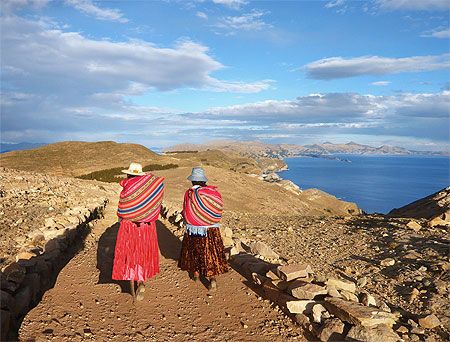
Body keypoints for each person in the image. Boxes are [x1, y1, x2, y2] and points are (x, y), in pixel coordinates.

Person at [112, 162, 164, 301]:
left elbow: (123, 208)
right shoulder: (152, 188)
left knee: (130, 251)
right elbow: (156, 204)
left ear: (129, 174)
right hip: (147, 226)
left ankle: (131, 276)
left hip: (129, 226)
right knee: (143, 251)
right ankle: (141, 281)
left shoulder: (128, 187)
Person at [178, 167, 228, 291]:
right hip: (211, 229)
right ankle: (212, 278)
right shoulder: (212, 192)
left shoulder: (189, 193)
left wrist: (190, 217)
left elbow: (186, 209)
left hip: (194, 229)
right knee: (210, 252)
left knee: (195, 251)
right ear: (203, 181)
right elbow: (217, 207)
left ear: (192, 181)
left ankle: (196, 274)